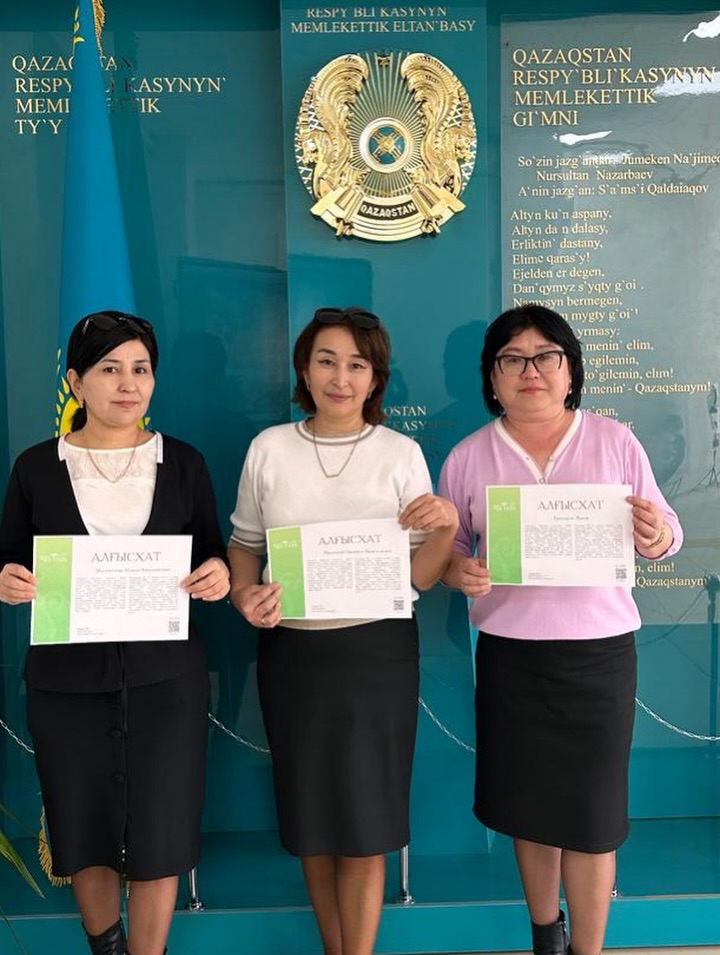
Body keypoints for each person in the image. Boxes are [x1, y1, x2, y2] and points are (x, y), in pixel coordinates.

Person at [438, 304, 683, 955]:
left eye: (546, 356)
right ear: (492, 378)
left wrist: (656, 536)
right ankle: (546, 935)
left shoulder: (614, 441)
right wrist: (461, 571)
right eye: (512, 359)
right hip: (512, 660)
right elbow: (447, 552)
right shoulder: (468, 456)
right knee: (530, 808)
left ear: (570, 370)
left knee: (592, 818)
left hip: (598, 659)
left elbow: (667, 530)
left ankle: (588, 949)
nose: (531, 371)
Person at [228, 305, 458, 955]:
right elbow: (244, 544)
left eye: (357, 364)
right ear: (304, 368)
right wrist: (244, 594)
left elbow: (419, 576)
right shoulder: (269, 447)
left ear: (375, 377)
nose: (340, 377)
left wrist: (444, 527)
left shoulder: (400, 453)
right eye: (326, 361)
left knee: (364, 823)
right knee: (313, 820)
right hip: (293, 653)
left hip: (376, 655)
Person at [0, 310, 230, 955]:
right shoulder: (36, 467)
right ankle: (106, 947)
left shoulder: (183, 462)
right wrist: (7, 580)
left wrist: (216, 573)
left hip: (166, 681)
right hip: (66, 683)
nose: (128, 384)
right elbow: (9, 556)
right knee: (83, 825)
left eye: (141, 369)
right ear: (76, 382)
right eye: (109, 370)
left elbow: (212, 548)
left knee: (161, 829)